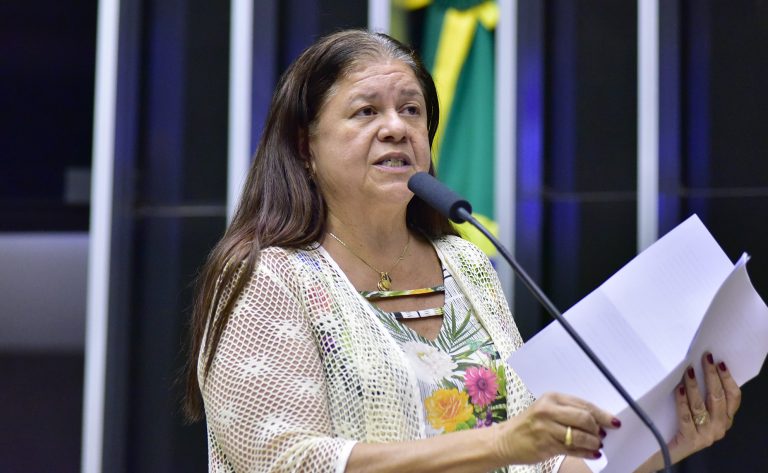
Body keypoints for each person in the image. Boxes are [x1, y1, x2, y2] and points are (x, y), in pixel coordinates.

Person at [183, 30, 741, 472]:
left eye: (412, 110)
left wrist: (665, 440)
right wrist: (499, 445)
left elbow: (538, 466)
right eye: (365, 112)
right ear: (305, 147)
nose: (396, 128)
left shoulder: (467, 266)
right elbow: (285, 462)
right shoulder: (267, 276)